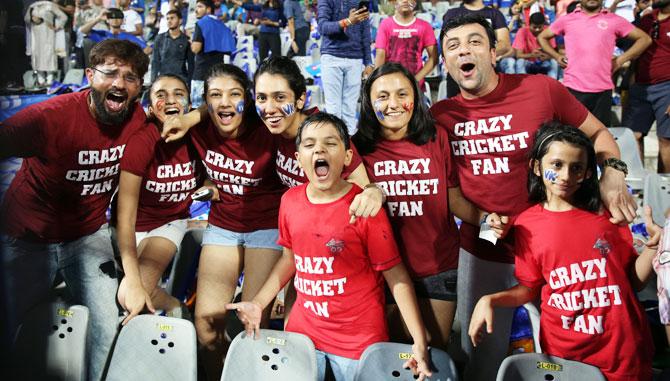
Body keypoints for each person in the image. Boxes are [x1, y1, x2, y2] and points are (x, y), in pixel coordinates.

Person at [431, 13, 637, 381]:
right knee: (480, 352)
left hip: (555, 249)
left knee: (564, 351)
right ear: (445, 62)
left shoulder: (540, 88)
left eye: (475, 42)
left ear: (494, 52)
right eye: (453, 46)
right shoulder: (440, 115)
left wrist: (614, 174)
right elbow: (448, 192)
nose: (464, 50)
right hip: (484, 251)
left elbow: (599, 133)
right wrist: (481, 219)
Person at [226, 112, 432, 381]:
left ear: (347, 157)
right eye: (309, 144)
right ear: (298, 158)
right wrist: (259, 303)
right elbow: (290, 260)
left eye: (330, 143)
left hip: (358, 343)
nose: (319, 149)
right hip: (304, 337)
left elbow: (396, 276)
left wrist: (418, 338)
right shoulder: (289, 201)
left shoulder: (364, 207)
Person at [0, 39, 149, 381]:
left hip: (87, 236)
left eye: (129, 77)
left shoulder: (138, 118)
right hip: (25, 239)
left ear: (139, 87)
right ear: (88, 75)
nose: (118, 83)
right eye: (109, 72)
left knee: (108, 326)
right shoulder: (50, 117)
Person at [469, 123, 659, 381]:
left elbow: (633, 281)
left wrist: (652, 248)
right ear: (537, 167)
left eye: (576, 168)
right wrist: (489, 299)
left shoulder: (607, 215)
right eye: (556, 165)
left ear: (589, 173)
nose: (566, 176)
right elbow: (529, 288)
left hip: (622, 353)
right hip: (564, 356)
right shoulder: (526, 223)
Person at [354, 62, 509, 352]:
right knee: (393, 357)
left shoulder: (436, 137)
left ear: (416, 95)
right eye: (383, 96)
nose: (394, 104)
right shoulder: (357, 149)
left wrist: (487, 221)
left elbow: (452, 199)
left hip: (439, 268)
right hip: (383, 272)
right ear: (368, 101)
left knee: (432, 355)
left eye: (402, 93)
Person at [187, 63, 285, 380]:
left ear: (248, 99)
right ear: (206, 102)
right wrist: (208, 186)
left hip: (266, 230)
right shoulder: (199, 129)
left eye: (234, 94)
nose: (226, 102)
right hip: (222, 228)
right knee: (205, 324)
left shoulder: (269, 131)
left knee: (254, 324)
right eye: (216, 95)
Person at [115, 74, 202, 323]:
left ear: (189, 103)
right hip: (130, 225)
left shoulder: (198, 133)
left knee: (130, 294)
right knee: (133, 294)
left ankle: (177, 310)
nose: (171, 99)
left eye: (178, 93)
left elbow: (235, 103)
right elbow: (125, 217)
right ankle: (176, 307)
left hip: (168, 223)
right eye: (161, 95)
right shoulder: (143, 141)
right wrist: (132, 275)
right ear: (151, 108)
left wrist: (208, 186)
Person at [537, 0, 651, 126]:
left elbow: (645, 39)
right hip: (574, 88)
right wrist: (556, 56)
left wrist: (620, 60)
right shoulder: (567, 19)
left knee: (600, 137)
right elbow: (542, 37)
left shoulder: (613, 19)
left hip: (603, 90)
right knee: (574, 137)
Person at [623, 0, 670, 173]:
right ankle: (640, 184)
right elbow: (638, 50)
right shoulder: (647, 18)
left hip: (667, 87)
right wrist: (631, 79)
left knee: (666, 140)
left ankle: (664, 189)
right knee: (632, 135)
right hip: (641, 86)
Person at [318, 0, 373, 135]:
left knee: (350, 109)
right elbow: (323, 27)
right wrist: (347, 21)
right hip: (331, 57)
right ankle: (334, 145)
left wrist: (368, 62)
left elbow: (365, 33)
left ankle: (350, 149)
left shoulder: (360, 1)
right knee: (333, 109)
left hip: (355, 59)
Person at [441, 0, 512, 98]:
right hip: (458, 74)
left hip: (488, 71)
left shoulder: (495, 14)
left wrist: (479, 55)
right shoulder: (452, 13)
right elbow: (446, 43)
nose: (465, 50)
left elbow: (505, 44)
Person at [375, 0, 438, 90]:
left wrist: (416, 79)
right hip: (390, 85)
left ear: (415, 2)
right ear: (393, 2)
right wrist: (379, 81)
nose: (405, 1)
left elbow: (434, 57)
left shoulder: (425, 26)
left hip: (416, 88)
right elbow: (380, 54)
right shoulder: (385, 25)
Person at [190, 0, 235, 108]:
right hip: (217, 76)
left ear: (208, 9)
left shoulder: (201, 23)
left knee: (198, 109)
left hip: (201, 75)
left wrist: (191, 44)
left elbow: (196, 48)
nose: (196, 10)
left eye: (200, 6)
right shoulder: (224, 26)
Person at [511, 12, 559, 78]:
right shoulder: (522, 31)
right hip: (528, 62)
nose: (537, 30)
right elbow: (518, 55)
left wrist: (546, 56)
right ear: (529, 24)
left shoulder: (548, 31)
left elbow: (554, 53)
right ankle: (522, 85)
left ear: (543, 25)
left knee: (554, 62)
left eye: (540, 27)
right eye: (534, 27)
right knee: (520, 62)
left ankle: (553, 84)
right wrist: (532, 55)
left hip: (544, 62)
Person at [151, 9, 192, 81]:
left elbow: (191, 64)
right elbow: (155, 61)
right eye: (167, 19)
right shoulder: (159, 38)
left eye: (172, 18)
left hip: (181, 79)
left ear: (180, 21)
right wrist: (153, 80)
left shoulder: (186, 40)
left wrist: (189, 83)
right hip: (163, 79)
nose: (169, 21)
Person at [80, 7, 147, 49]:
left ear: (123, 21)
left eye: (118, 17)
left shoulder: (128, 37)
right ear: (107, 20)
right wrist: (98, 18)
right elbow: (83, 30)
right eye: (112, 17)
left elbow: (147, 49)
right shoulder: (102, 35)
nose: (115, 20)